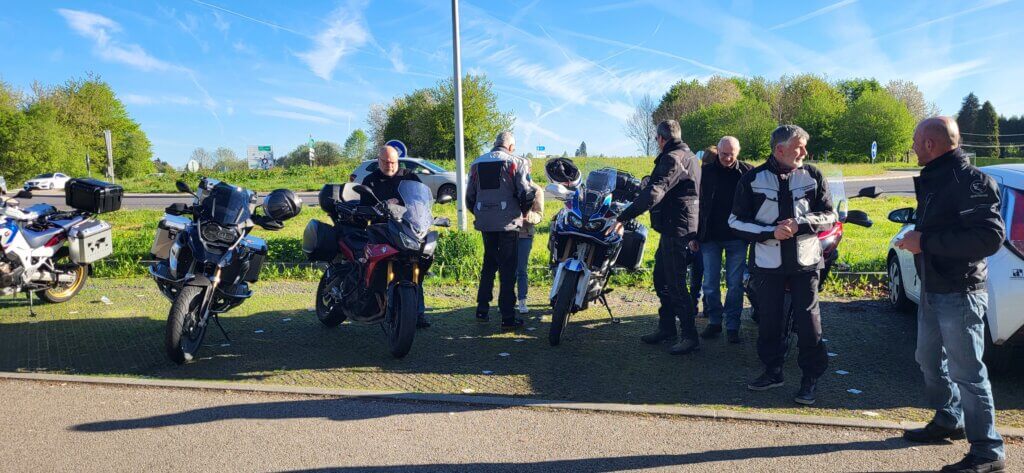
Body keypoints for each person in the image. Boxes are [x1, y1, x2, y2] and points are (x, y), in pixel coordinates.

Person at [897, 117, 1006, 473]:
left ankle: (988, 450)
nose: (912, 146)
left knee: (968, 372)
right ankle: (950, 417)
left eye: (915, 141)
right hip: (933, 286)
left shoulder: (971, 181)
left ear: (930, 144)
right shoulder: (936, 177)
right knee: (927, 359)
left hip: (961, 291)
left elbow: (989, 239)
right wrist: (918, 240)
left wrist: (923, 242)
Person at [730, 125, 836, 405]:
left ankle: (810, 378)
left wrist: (800, 224)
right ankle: (772, 371)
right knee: (769, 321)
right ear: (780, 150)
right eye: (799, 147)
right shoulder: (752, 179)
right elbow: (735, 221)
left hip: (806, 262)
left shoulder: (813, 175)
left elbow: (830, 216)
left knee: (809, 322)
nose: (805, 152)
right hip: (767, 264)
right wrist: (769, 232)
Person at [612, 120, 702, 355]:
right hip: (677, 226)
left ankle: (689, 335)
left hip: (677, 228)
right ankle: (667, 327)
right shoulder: (690, 156)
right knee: (661, 277)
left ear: (661, 139)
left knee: (675, 282)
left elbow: (654, 191)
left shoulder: (672, 158)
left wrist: (624, 216)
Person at [466, 131, 536, 329]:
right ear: (511, 146)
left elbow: (470, 196)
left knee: (489, 263)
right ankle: (507, 316)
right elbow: (526, 192)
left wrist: (480, 214)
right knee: (508, 268)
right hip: (508, 222)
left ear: (495, 144)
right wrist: (522, 213)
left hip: (485, 222)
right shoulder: (516, 162)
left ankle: (482, 309)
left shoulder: (476, 164)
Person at [361, 145, 430, 328]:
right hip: (381, 230)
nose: (390, 165)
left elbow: (421, 201)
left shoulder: (409, 176)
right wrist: (379, 207)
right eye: (386, 162)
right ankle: (374, 304)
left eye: (393, 162)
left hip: (407, 229)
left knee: (416, 266)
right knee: (377, 269)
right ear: (379, 161)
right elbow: (364, 206)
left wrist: (402, 203)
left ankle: (419, 312)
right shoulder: (371, 180)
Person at [695, 137, 754, 344]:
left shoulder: (748, 173)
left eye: (731, 154)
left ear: (738, 152)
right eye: (723, 154)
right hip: (710, 237)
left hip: (737, 237)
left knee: (735, 285)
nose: (727, 158)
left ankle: (732, 326)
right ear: (717, 152)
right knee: (710, 284)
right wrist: (695, 235)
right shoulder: (706, 173)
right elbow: (697, 206)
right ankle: (714, 321)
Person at [516, 180, 544, 314]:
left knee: (521, 269)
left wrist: (528, 217)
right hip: (506, 234)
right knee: (505, 269)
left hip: (524, 235)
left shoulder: (536, 189)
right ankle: (506, 300)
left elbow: (539, 215)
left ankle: (522, 300)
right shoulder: (509, 185)